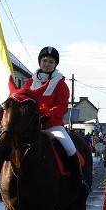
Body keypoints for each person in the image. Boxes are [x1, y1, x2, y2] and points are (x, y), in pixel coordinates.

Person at [31, 46, 90, 197]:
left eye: (51, 61)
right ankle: (4, 183)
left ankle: (78, 180)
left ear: (55, 64)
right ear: (40, 61)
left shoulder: (61, 84)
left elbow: (62, 106)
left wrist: (46, 116)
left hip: (53, 125)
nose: (47, 64)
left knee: (69, 148)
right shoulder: (30, 82)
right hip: (31, 124)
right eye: (44, 60)